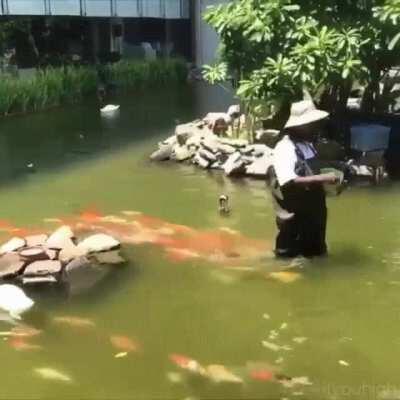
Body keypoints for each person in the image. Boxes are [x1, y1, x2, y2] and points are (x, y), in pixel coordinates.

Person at [268, 100, 339, 258]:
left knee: (317, 258)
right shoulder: (285, 148)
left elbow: (311, 175)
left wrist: (331, 187)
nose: (316, 127)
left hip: (314, 217)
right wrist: (324, 178)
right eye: (311, 124)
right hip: (295, 220)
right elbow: (289, 181)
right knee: (289, 264)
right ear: (299, 126)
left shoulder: (307, 146)